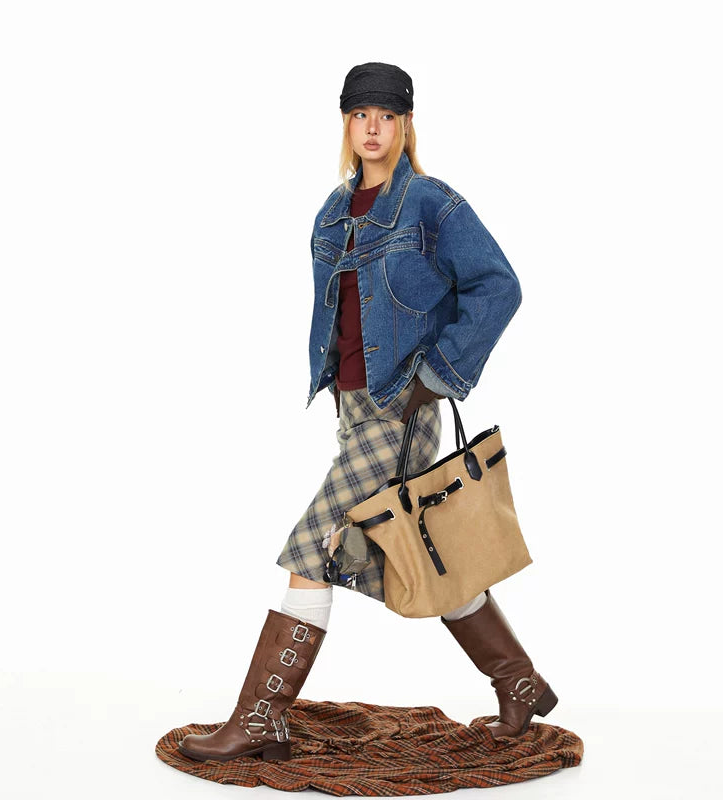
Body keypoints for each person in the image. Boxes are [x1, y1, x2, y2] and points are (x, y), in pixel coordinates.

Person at [178, 62, 557, 764]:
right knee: (424, 551)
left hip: (402, 407)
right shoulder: (332, 212)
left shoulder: (431, 204)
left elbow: (499, 286)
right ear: (347, 124)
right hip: (355, 409)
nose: (373, 127)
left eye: (386, 115)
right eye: (360, 115)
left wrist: (438, 374)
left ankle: (261, 719)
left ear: (406, 124)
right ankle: (521, 684)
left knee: (310, 546)